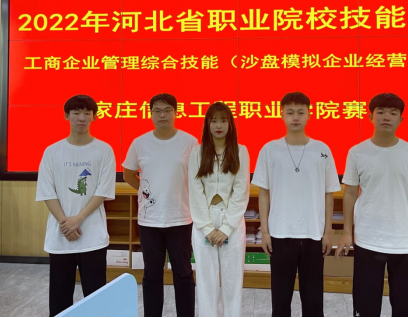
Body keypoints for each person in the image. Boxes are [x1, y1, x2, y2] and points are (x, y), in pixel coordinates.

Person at [336, 93, 408, 318]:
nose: (386, 117)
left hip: (406, 242)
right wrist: (347, 233)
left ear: (401, 119)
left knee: (405, 308)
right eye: (380, 112)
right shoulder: (357, 152)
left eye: (393, 113)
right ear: (370, 117)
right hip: (368, 240)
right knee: (366, 307)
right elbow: (350, 193)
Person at [252, 92, 341, 317]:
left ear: (309, 115)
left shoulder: (322, 150)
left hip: (313, 234)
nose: (295, 117)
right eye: (290, 112)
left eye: (301, 112)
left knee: (313, 301)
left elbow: (329, 194)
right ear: (281, 114)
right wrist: (265, 232)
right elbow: (263, 194)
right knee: (280, 301)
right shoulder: (269, 150)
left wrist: (328, 232)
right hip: (280, 234)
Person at [36, 95, 116, 317]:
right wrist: (66, 224)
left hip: (92, 237)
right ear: (66, 116)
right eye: (76, 113)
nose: (82, 118)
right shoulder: (52, 151)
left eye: (87, 113)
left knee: (96, 300)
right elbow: (47, 192)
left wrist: (77, 220)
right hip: (60, 237)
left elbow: (103, 191)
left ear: (94, 117)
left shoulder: (104, 150)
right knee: (59, 301)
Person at [123, 93, 198, 317]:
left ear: (176, 112)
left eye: (167, 110)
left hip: (180, 218)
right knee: (152, 275)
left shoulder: (190, 142)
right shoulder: (140, 143)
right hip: (149, 221)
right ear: (151, 114)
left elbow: (197, 177)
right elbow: (128, 174)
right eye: (157, 111)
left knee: (183, 274)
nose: (162, 115)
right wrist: (147, 192)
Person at [189, 102, 250, 317]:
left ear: (230, 124)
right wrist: (207, 228)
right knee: (206, 281)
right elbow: (195, 192)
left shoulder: (240, 151)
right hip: (203, 222)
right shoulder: (197, 153)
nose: (218, 125)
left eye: (223, 120)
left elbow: (241, 191)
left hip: (231, 222)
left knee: (233, 281)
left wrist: (226, 228)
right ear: (207, 124)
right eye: (213, 120)